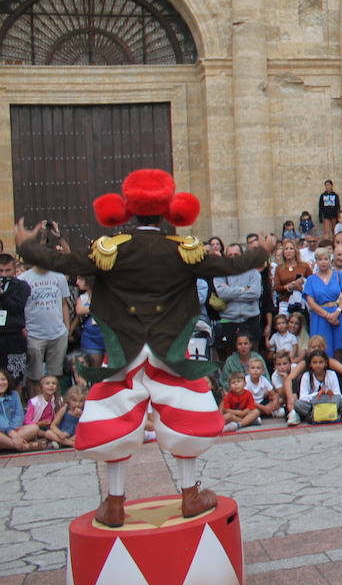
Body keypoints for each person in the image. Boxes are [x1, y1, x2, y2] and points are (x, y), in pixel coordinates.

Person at [14, 170, 272, 526]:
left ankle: (114, 502)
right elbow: (229, 264)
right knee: (185, 418)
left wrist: (28, 246)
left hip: (124, 352)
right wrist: (263, 250)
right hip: (170, 352)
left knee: (114, 421)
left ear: (129, 209)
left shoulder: (110, 249)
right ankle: (190, 495)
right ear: (167, 210)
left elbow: (64, 262)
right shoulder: (183, 250)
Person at [19, 251, 71, 397]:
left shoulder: (59, 277)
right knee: (34, 376)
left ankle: (54, 405)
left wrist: (67, 328)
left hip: (57, 333)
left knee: (55, 376)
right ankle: (35, 406)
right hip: (34, 334)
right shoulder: (23, 279)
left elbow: (64, 304)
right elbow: (20, 306)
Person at [303, 247, 342, 356]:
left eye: (325, 259)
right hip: (320, 316)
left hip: (338, 315)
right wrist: (327, 315)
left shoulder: (338, 275)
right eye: (320, 259)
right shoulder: (311, 279)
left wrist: (337, 312)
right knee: (321, 347)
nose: (323, 262)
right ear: (316, 261)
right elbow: (311, 302)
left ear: (330, 260)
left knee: (341, 345)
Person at [293, 348, 342, 424]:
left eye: (321, 362)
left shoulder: (331, 374)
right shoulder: (306, 376)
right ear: (310, 364)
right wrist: (318, 394)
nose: (318, 365)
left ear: (325, 363)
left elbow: (338, 395)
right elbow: (302, 397)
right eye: (314, 363)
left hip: (330, 402)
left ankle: (323, 414)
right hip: (314, 404)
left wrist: (327, 393)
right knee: (298, 404)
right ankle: (323, 414)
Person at [0, 254, 31, 385]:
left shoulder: (22, 286)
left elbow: (16, 307)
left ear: (14, 269)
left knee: (15, 377)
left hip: (14, 336)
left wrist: (2, 294)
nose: (3, 274)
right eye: (1, 271)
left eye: (7, 270)